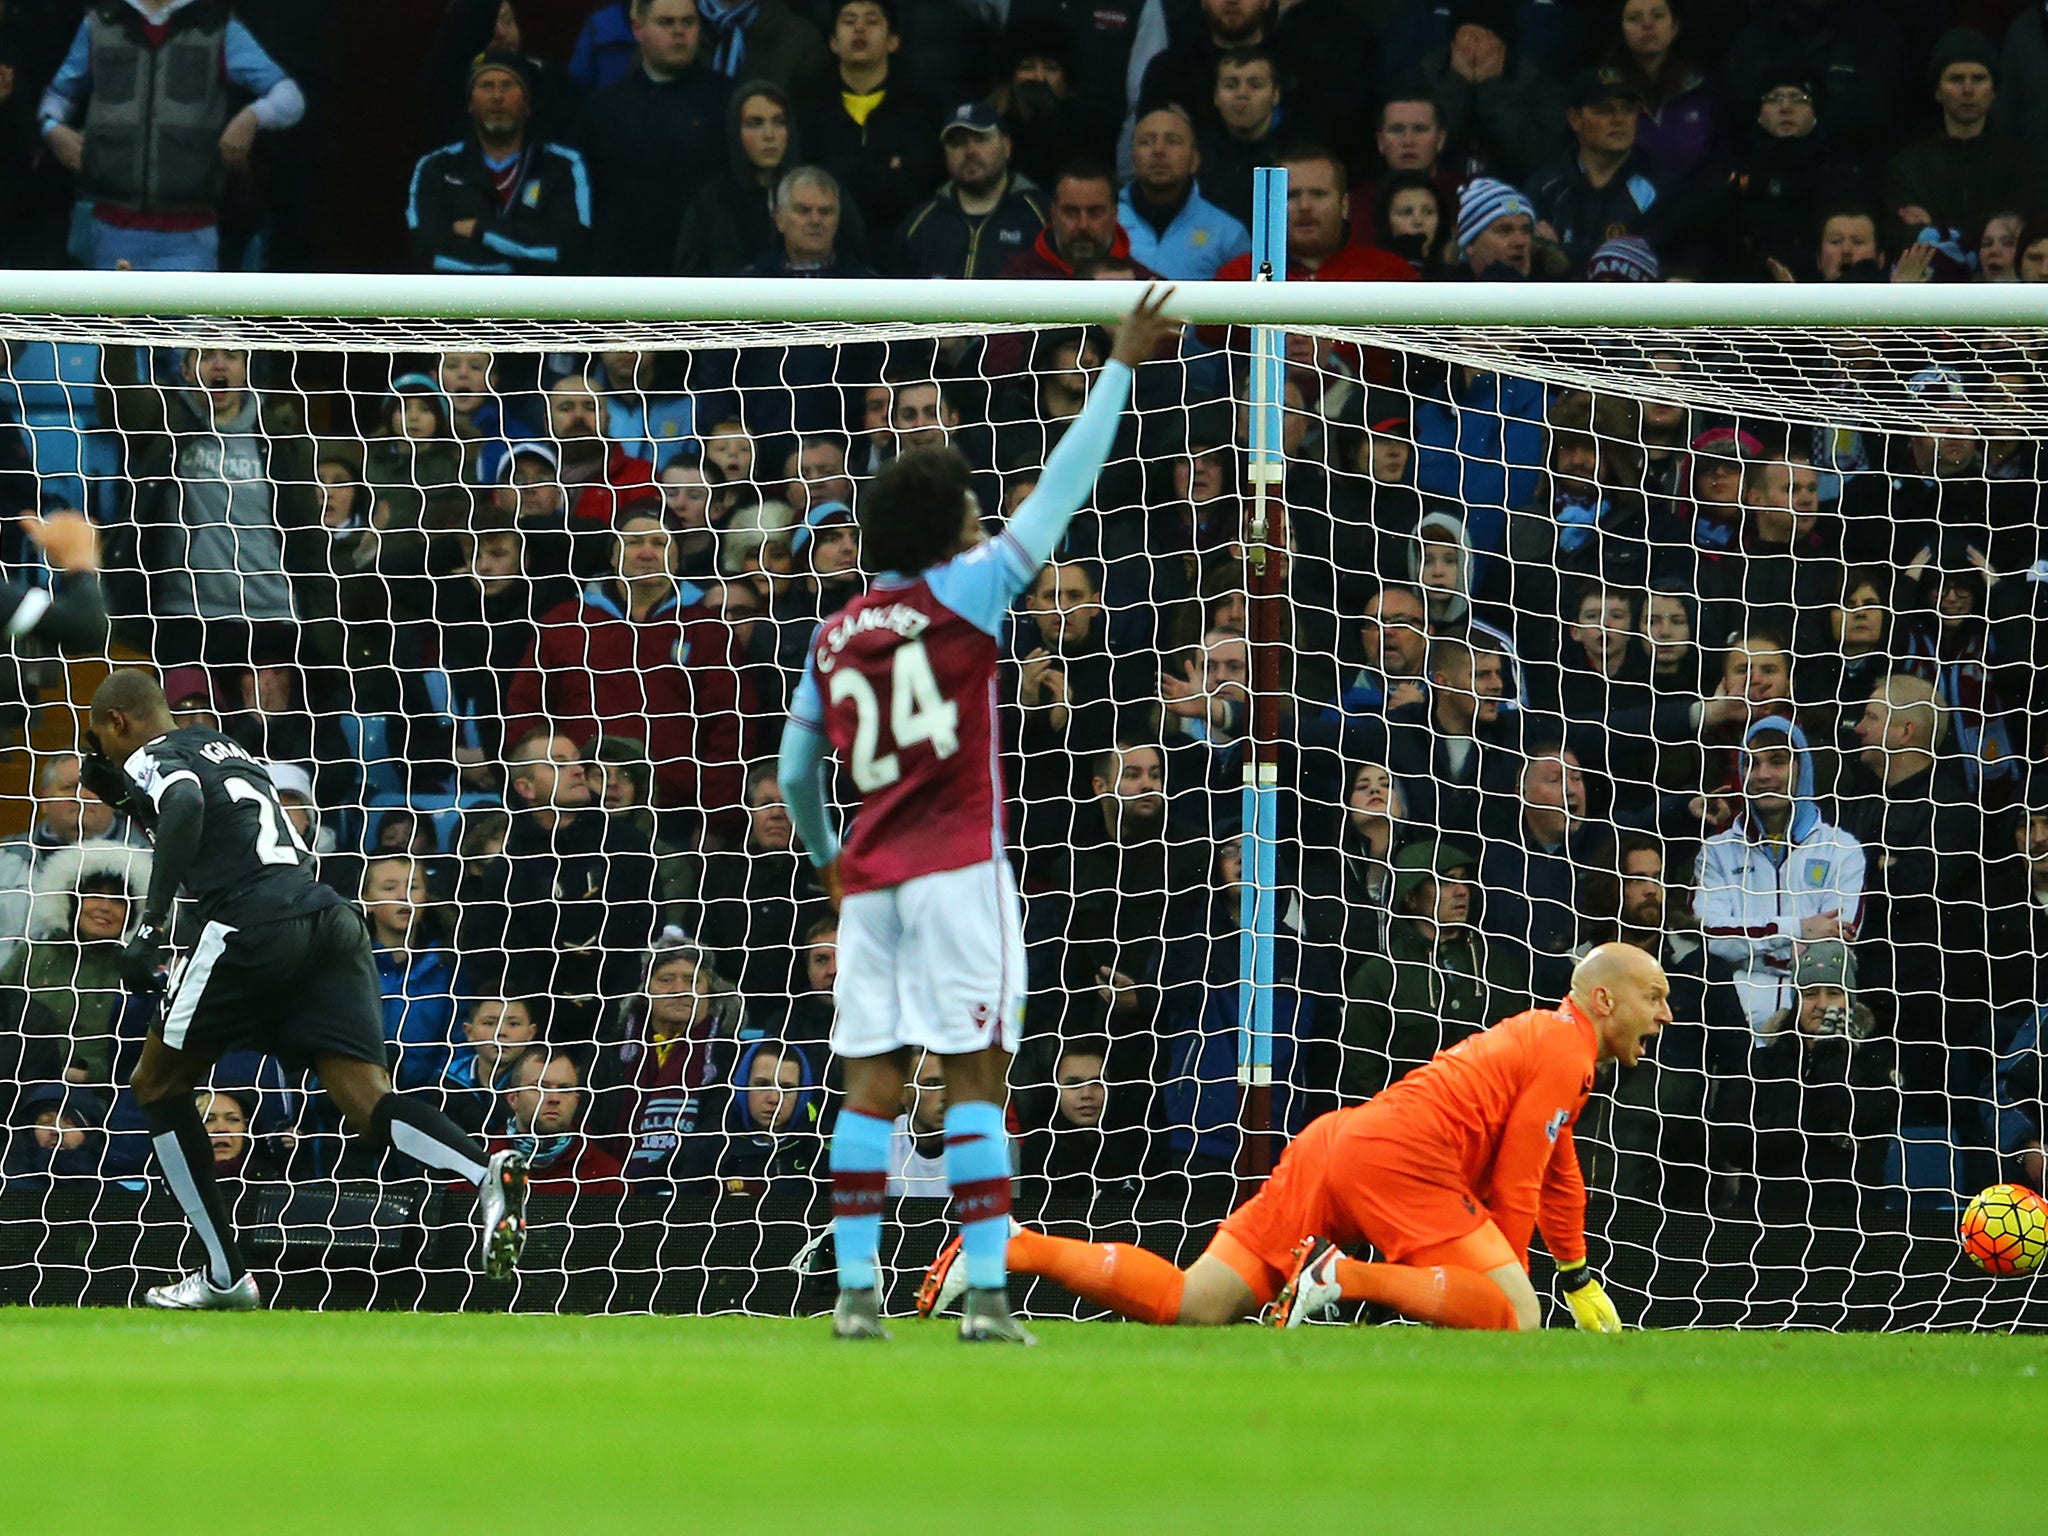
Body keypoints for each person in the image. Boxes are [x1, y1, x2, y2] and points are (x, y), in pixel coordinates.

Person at [778, 288, 1180, 1343]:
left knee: (867, 1080)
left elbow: (790, 773)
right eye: (967, 508)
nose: (980, 518)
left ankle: (856, 1292)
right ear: (948, 526)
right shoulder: (972, 591)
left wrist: (830, 853)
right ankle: (989, 1297)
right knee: (974, 1077)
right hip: (959, 870)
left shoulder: (832, 632)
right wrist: (1121, 366)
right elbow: (1063, 487)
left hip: (870, 882)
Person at [77, 670, 528, 1309]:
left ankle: (224, 1276)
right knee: (366, 1099)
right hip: (328, 920)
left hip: (247, 925)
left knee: (156, 1085)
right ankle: (484, 1172)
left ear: (118, 722)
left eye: (101, 737)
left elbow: (183, 804)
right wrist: (124, 798)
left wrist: (148, 928)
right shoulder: (221, 744)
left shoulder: (153, 755)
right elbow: (213, 814)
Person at [921, 944, 1665, 1331]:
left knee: (1195, 1305)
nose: (1664, 1014)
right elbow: (1518, 1184)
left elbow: (1558, 1167)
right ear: (1603, 998)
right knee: (1515, 1315)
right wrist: (1505, 1288)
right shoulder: (1566, 1048)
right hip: (1403, 1159)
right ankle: (1341, 1278)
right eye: (1654, 996)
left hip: (1333, 1142)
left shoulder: (1557, 1047)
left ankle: (1008, 1246)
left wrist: (1576, 1274)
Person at [36, 0, 304, 271]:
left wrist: (251, 118)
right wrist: (51, 128)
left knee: (188, 314)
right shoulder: (101, 24)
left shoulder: (217, 27)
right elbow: (59, 94)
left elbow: (289, 96)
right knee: (114, 314)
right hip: (111, 227)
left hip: (191, 234)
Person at [1695, 716, 1867, 1034]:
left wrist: (1749, 953)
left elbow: (1835, 943)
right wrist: (1798, 929)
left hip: (1812, 1027)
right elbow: (1711, 939)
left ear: (1802, 769)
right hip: (1731, 1028)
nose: (1763, 775)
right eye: (1753, 764)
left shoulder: (1842, 849)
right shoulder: (1717, 852)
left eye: (1777, 762)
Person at [578, 0, 732, 275]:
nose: (679, 31)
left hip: (705, 269)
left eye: (688, 22)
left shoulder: (726, 101)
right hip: (624, 271)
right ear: (638, 28)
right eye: (666, 22)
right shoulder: (604, 109)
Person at [406, 52, 592, 275]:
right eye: (486, 85)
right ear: (470, 104)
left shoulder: (563, 165)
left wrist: (480, 231)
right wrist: (515, 264)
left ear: (527, 103)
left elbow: (569, 247)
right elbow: (427, 249)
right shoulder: (436, 167)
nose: (497, 96)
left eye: (507, 85)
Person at [1882, 28, 2043, 258]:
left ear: (1993, 91)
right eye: (1956, 79)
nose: (1968, 89)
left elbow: (2029, 234)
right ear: (1938, 90)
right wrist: (1993, 231)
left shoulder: (2026, 163)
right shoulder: (1907, 167)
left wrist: (1935, 230)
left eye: (1978, 78)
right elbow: (1899, 239)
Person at [800, 0, 940, 239]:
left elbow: (920, 187)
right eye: (849, 21)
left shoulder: (922, 106)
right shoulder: (807, 104)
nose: (860, 29)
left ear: (893, 41)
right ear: (833, 42)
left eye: (872, 21)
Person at [1526, 67, 1662, 274]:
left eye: (1627, 109)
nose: (1618, 119)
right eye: (1604, 109)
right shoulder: (1545, 187)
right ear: (1575, 119)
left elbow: (1652, 261)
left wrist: (1562, 254)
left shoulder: (1658, 187)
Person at [893, 102, 1046, 279]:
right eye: (957, 143)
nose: (970, 151)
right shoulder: (919, 224)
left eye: (981, 139)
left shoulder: (1040, 217)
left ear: (1007, 146)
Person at [675, 80, 803, 275]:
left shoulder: (815, 194)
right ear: (735, 132)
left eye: (779, 122)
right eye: (755, 123)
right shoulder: (711, 202)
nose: (769, 135)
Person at [1118, 106, 1248, 281]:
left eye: (1172, 141)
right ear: (1132, 157)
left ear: (1195, 160)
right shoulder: (1106, 221)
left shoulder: (1228, 233)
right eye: (1147, 141)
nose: (1158, 150)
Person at [887, 1049, 947, 1197]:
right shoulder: (881, 1144)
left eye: (950, 1084)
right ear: (903, 1093)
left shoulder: (982, 1143)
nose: (945, 1096)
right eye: (931, 1084)